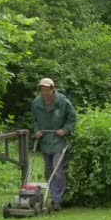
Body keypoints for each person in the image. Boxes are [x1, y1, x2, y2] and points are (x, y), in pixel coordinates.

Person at [32, 77, 77, 210]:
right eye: (42, 89)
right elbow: (34, 121)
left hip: (59, 140)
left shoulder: (63, 101)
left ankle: (57, 200)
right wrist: (37, 131)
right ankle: (51, 196)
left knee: (58, 170)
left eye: (46, 89)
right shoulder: (36, 103)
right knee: (48, 171)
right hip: (45, 140)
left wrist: (65, 130)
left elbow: (72, 118)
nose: (44, 92)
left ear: (52, 89)